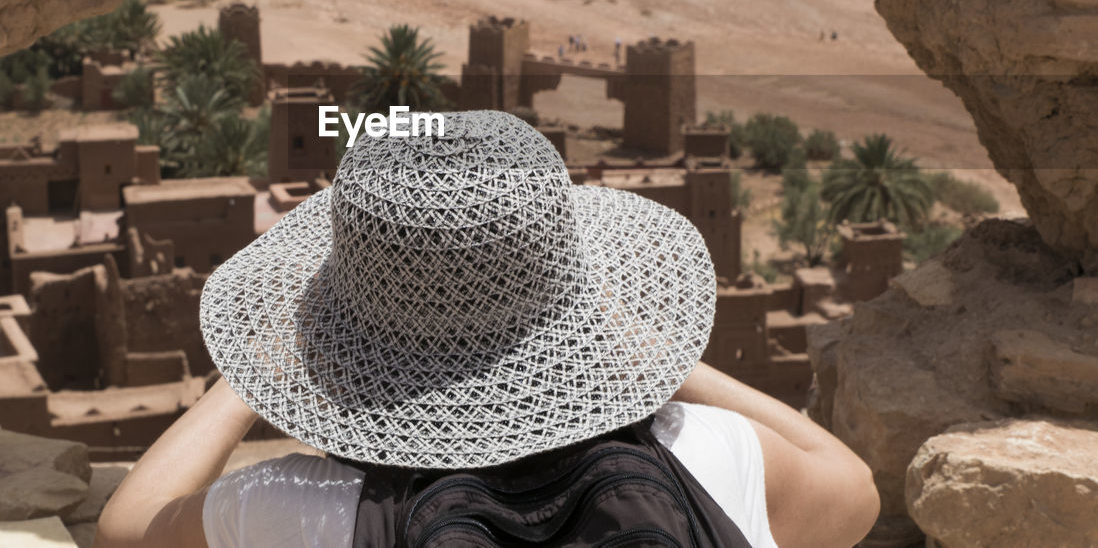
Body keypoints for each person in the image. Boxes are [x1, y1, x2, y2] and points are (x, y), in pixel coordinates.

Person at [97, 111, 879, 548]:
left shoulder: (302, 513)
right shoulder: (707, 456)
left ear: (340, 340)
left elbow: (127, 530)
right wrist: (658, 359)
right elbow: (855, 490)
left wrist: (248, 381)